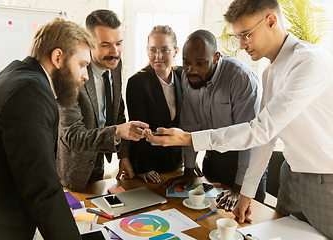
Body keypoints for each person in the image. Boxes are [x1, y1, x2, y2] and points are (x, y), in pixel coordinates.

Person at [144, 0, 333, 238]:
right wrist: (246, 194)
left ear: (271, 21)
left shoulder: (310, 62)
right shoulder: (269, 74)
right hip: (291, 177)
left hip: (327, 183)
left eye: (246, 35)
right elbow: (266, 139)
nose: (242, 45)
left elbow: (259, 130)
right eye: (238, 37)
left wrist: (191, 138)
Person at [0, 18, 94, 240]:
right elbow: (42, 188)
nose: (85, 76)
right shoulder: (32, 92)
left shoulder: (15, 76)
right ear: (58, 57)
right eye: (82, 65)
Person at [162, 29, 266, 210]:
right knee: (207, 217)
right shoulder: (188, 77)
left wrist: (239, 189)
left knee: (245, 226)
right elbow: (190, 125)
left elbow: (248, 139)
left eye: (200, 63)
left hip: (246, 166)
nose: (191, 70)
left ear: (216, 57)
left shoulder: (241, 79)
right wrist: (188, 170)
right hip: (213, 160)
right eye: (186, 63)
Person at [56, 9, 147, 192]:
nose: (115, 52)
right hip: (73, 169)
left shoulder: (114, 63)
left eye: (119, 43)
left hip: (100, 157)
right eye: (106, 45)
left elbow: (117, 110)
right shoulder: (69, 74)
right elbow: (73, 136)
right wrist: (118, 132)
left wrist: (124, 157)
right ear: (88, 43)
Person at [126, 25, 184, 184]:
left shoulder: (182, 75)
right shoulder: (137, 82)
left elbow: (187, 123)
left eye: (165, 50)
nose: (158, 56)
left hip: (179, 163)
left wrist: (191, 162)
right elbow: (139, 128)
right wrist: (144, 166)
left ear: (175, 51)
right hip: (150, 166)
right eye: (152, 50)